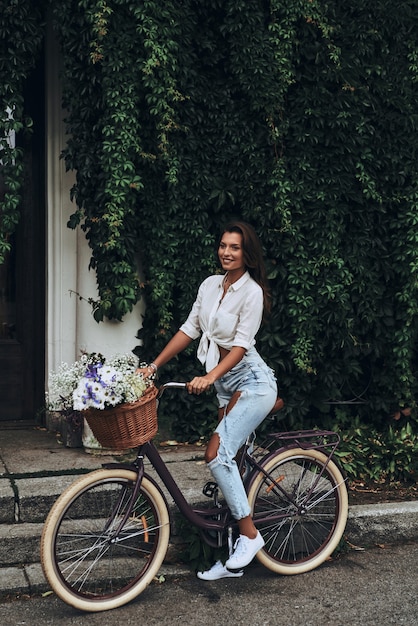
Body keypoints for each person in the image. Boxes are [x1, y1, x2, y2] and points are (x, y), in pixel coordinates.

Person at [137, 221, 277, 580]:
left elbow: (242, 346)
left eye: (235, 247)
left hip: (252, 381)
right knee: (235, 466)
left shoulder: (252, 293)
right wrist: (153, 366)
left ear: (248, 254)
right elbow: (189, 329)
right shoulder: (211, 285)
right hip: (226, 385)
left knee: (216, 454)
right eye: (223, 245)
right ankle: (232, 560)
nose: (226, 252)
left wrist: (210, 376)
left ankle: (251, 537)